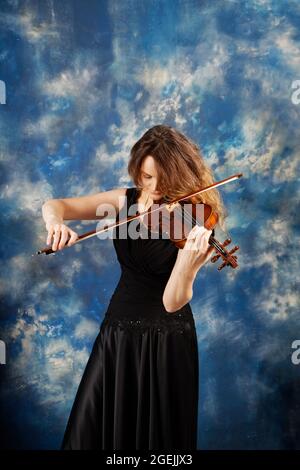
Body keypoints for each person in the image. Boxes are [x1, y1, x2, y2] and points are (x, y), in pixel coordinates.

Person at [42, 124, 226, 450]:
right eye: (146, 176)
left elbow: (173, 302)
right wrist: (56, 224)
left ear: (179, 174)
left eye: (163, 178)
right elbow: (56, 205)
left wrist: (188, 261)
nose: (153, 187)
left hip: (166, 342)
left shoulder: (194, 219)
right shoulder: (122, 200)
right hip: (116, 335)